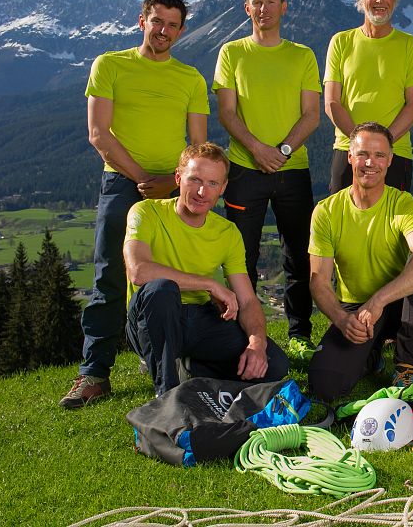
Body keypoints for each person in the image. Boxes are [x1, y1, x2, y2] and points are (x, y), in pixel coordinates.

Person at [60, 0, 208, 409]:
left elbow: (198, 143)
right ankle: (94, 374)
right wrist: (144, 178)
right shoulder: (109, 65)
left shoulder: (191, 79)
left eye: (172, 24)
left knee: (174, 277)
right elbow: (98, 134)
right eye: (157, 21)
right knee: (110, 276)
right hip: (124, 184)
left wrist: (175, 182)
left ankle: (166, 356)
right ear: (141, 21)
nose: (164, 30)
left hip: (177, 187)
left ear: (181, 30)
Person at [124, 143, 290, 396]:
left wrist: (257, 342)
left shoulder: (227, 232)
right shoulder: (146, 212)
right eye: (194, 180)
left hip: (200, 319)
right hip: (151, 317)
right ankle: (167, 394)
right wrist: (209, 284)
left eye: (213, 183)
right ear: (178, 178)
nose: (202, 191)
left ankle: (194, 368)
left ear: (223, 188)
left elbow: (247, 300)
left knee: (274, 365)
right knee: (161, 289)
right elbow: (139, 271)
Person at [212, 0, 320, 355]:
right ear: (247, 8)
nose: (263, 8)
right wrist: (258, 149)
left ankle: (299, 335)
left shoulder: (302, 55)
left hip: (293, 169)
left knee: (299, 255)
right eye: (256, 2)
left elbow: (312, 114)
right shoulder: (231, 53)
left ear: (283, 7)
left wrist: (283, 150)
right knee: (242, 258)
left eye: (271, 2)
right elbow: (226, 113)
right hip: (243, 169)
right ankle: (243, 336)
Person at [306, 123, 413, 401]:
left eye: (380, 155)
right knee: (324, 385)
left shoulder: (403, 204)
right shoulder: (326, 211)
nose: (370, 163)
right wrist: (342, 319)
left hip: (398, 305)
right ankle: (371, 356)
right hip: (355, 309)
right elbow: (318, 281)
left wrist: (379, 300)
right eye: (363, 154)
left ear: (390, 160)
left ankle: (407, 365)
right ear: (349, 156)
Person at [324, 0, 413, 194]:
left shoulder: (409, 45)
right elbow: (332, 102)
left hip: (395, 152)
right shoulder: (340, 42)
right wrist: (359, 145)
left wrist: (381, 145)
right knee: (342, 225)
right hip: (347, 150)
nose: (380, 0)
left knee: (393, 226)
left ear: (395, 1)